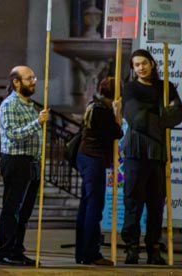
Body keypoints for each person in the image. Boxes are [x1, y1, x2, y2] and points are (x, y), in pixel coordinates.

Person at [121, 49, 182, 265]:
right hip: (135, 152)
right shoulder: (129, 88)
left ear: (152, 63)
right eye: (136, 65)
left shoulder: (165, 88)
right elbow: (135, 119)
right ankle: (131, 248)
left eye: (143, 63)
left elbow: (178, 114)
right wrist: (161, 115)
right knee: (133, 202)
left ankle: (154, 248)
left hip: (158, 152)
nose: (140, 68)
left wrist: (153, 114)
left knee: (156, 205)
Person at [0, 66, 49, 266]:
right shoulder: (9, 105)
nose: (34, 81)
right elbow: (13, 134)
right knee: (12, 208)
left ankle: (17, 249)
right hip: (16, 160)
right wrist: (37, 122)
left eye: (34, 77)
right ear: (16, 82)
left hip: (32, 162)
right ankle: (4, 251)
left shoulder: (30, 105)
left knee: (25, 211)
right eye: (29, 78)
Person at [75, 77, 123, 266]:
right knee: (94, 207)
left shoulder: (93, 105)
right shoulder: (103, 111)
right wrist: (117, 114)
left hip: (86, 157)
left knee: (86, 205)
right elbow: (116, 133)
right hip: (93, 159)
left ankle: (82, 253)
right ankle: (90, 253)